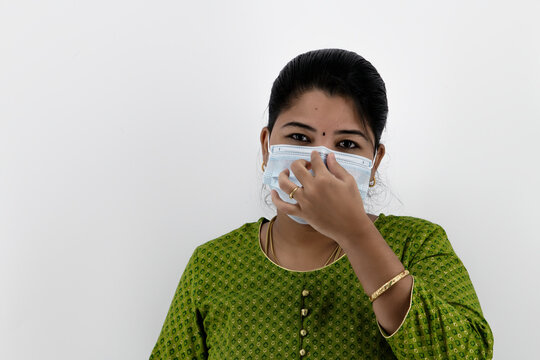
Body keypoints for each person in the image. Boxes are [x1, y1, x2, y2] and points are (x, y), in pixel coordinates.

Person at [149, 49, 494, 359]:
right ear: (268, 146)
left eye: (346, 144)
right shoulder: (212, 265)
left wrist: (356, 234)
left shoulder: (418, 245)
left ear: (373, 163)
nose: (319, 162)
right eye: (299, 138)